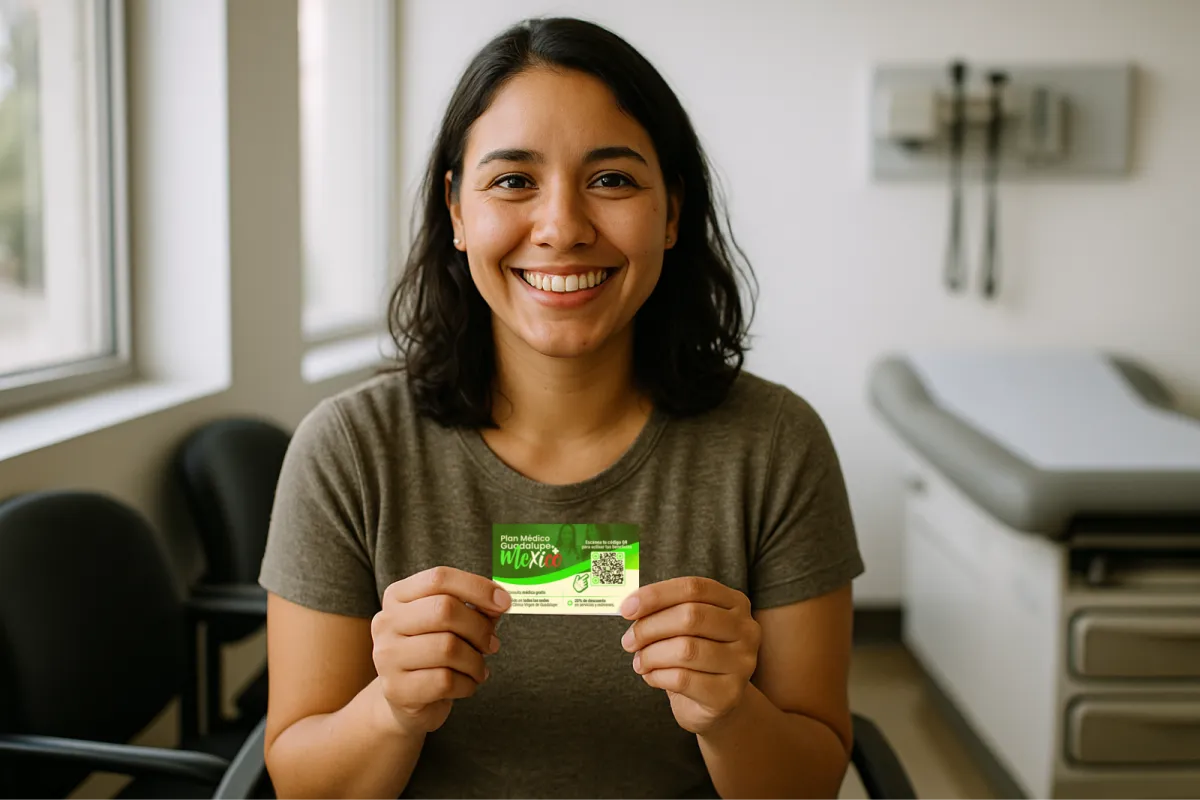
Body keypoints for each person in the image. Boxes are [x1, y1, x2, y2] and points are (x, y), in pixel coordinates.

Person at [259, 16, 864, 800]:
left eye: (611, 180)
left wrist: (729, 714)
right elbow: (302, 782)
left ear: (672, 211)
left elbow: (811, 779)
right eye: (513, 181)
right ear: (456, 211)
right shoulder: (347, 451)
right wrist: (391, 709)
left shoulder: (776, 444)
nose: (563, 229)